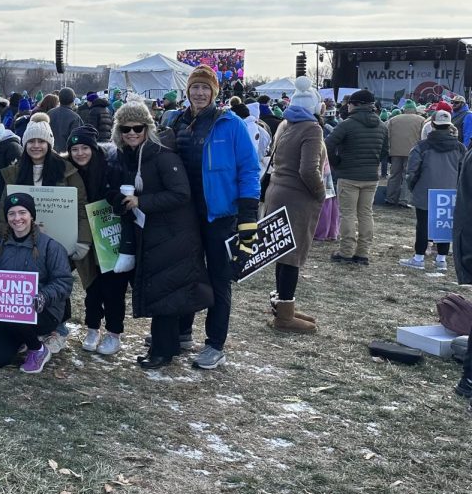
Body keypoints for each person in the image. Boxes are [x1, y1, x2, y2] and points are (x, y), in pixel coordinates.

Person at [166, 66, 260, 370]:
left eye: (206, 88)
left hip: (220, 215)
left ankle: (215, 344)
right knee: (187, 274)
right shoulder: (177, 120)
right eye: (195, 87)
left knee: (219, 279)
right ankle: (181, 333)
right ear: (187, 90)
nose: (200, 93)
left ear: (215, 92)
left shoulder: (230, 124)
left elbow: (249, 169)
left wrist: (247, 214)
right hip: (185, 214)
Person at [107, 102, 211, 369]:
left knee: (165, 291)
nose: (131, 132)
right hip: (153, 232)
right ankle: (166, 345)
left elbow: (181, 193)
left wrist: (142, 202)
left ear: (147, 128)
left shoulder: (163, 155)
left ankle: (162, 351)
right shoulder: (126, 155)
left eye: (137, 128)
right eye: (125, 128)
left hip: (173, 233)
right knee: (163, 290)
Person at [0, 192, 74, 373]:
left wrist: (43, 296)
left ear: (31, 215)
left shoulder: (50, 246)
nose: (17, 218)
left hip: (43, 310)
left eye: (22, 212)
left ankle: (38, 349)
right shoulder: (0, 246)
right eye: (12, 213)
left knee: (17, 313)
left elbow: (64, 281)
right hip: (8, 312)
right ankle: (22, 338)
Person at [263, 77, 325, 333]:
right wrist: (321, 193)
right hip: (297, 197)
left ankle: (283, 304)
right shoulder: (312, 128)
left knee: (282, 251)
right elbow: (309, 170)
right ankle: (285, 317)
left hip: (277, 191)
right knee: (292, 256)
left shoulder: (285, 124)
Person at [65, 125, 130, 354]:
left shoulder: (111, 167)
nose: (80, 153)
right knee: (92, 287)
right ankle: (92, 328)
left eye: (85, 148)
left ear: (93, 148)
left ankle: (114, 332)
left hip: (109, 234)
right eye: (75, 149)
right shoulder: (69, 171)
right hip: (85, 236)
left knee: (113, 288)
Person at [325, 88, 389, 266]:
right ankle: (363, 253)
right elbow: (385, 152)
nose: (348, 106)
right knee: (366, 214)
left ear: (357, 105)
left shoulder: (347, 124)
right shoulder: (382, 125)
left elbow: (328, 144)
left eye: (350, 103)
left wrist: (337, 162)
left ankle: (346, 252)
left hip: (349, 175)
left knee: (347, 214)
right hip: (371, 177)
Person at [400, 109, 462, 272]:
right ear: (450, 125)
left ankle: (419, 258)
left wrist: (414, 187)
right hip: (450, 193)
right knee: (444, 225)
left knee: (422, 225)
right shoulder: (460, 147)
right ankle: (441, 259)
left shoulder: (421, 146)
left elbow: (411, 171)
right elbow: (463, 171)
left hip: (425, 191)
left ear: (432, 124)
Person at [385, 101, 425, 207]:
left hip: (395, 152)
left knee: (394, 175)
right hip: (412, 152)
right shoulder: (421, 120)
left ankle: (390, 198)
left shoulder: (393, 120)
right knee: (407, 176)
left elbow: (387, 136)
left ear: (404, 109)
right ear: (414, 110)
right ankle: (404, 200)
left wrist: (388, 150)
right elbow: (423, 137)